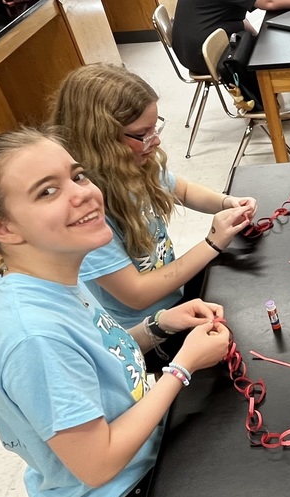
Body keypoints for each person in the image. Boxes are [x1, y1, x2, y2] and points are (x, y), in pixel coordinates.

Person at [0, 127, 232, 497]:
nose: (83, 194)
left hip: (137, 461)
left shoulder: (52, 273)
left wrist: (158, 325)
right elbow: (98, 464)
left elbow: (104, 353)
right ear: (2, 228)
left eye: (77, 176)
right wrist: (182, 366)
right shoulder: (34, 339)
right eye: (47, 191)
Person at [51, 64, 256, 333]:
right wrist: (212, 242)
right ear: (102, 137)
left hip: (174, 296)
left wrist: (225, 202)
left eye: (154, 128)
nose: (155, 141)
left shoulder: (133, 164)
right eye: (142, 134)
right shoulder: (85, 213)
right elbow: (137, 295)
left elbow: (181, 190)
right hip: (147, 328)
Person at [171, 0, 290, 75]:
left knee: (266, 41)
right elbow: (269, 2)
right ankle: (267, 99)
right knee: (271, 49)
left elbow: (231, 14)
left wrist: (256, 36)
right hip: (203, 52)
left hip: (190, 44)